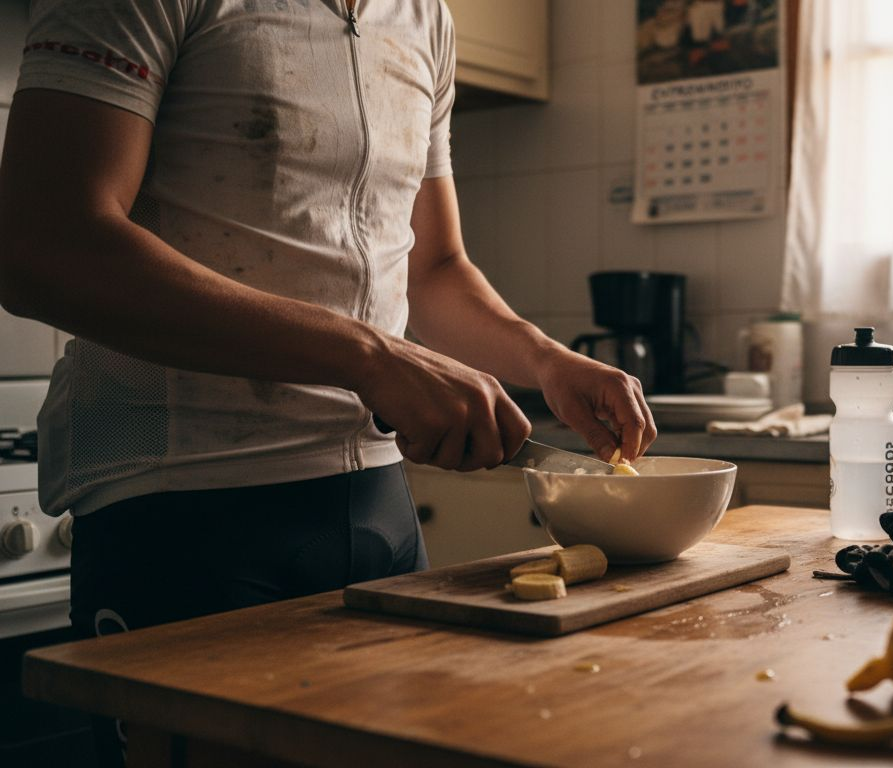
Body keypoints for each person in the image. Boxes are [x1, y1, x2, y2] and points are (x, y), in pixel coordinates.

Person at [0, 0, 655, 722]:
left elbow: (434, 268)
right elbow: (44, 246)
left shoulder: (424, 18)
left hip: (378, 505)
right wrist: (370, 357)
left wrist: (548, 361)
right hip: (182, 500)